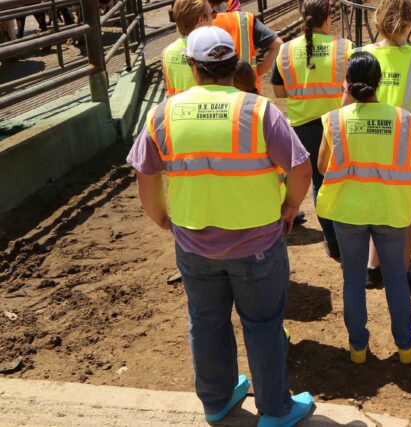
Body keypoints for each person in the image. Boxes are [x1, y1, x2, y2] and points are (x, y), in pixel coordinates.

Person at [126, 26, 315, 427]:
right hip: (258, 244)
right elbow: (300, 168)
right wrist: (289, 207)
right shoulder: (259, 112)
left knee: (206, 321)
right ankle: (276, 410)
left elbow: (145, 174)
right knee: (263, 326)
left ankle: (216, 399)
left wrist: (162, 217)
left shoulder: (163, 113)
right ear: (233, 65)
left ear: (193, 67)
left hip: (194, 244)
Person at [316, 52, 411, 365]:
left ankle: (358, 347)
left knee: (352, 277)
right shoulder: (403, 120)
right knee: (395, 278)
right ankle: (405, 345)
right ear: (379, 83)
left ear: (347, 84)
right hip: (391, 209)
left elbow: (322, 166)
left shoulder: (335, 120)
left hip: (349, 211)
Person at [353, 0, 411, 288]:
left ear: (378, 17)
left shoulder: (359, 55)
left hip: (369, 142)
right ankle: (401, 270)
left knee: (375, 203)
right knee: (406, 209)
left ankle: (370, 266)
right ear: (409, 22)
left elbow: (348, 103)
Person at [271, 0, 350, 262]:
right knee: (344, 180)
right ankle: (350, 235)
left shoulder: (286, 50)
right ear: (328, 18)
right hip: (338, 125)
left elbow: (279, 90)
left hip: (303, 126)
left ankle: (331, 239)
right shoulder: (345, 47)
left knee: (319, 183)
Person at [192, 0, 282, 89]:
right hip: (247, 89)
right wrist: (256, 73)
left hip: (214, 92)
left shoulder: (196, 23)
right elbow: (278, 45)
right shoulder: (244, 19)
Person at [163, 0, 213, 96]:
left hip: (178, 108)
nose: (213, 17)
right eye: (212, 13)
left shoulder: (167, 52)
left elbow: (168, 90)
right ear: (201, 19)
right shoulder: (212, 48)